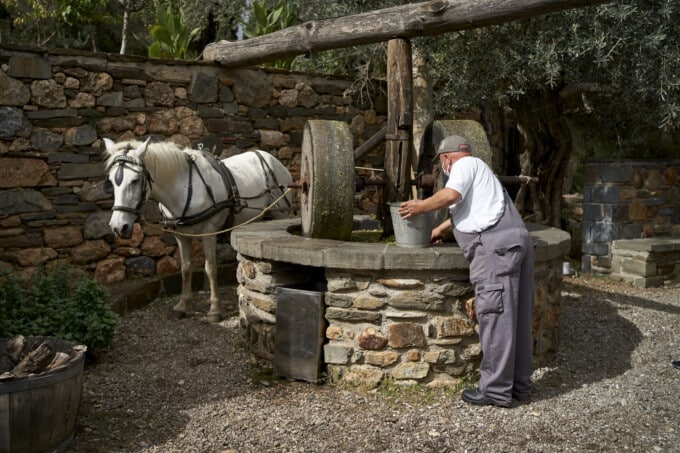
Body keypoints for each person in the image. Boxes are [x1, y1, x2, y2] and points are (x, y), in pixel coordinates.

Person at [398, 135, 535, 407]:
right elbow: (471, 207)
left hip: (495, 247)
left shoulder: (463, 166)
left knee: (494, 316)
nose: (443, 169)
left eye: (442, 164)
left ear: (447, 158)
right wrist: (440, 229)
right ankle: (519, 387)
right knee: (516, 318)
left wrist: (420, 207)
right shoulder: (482, 171)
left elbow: (452, 195)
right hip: (516, 240)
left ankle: (495, 391)